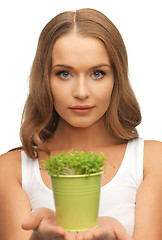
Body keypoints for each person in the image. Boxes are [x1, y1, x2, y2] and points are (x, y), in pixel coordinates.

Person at [0, 8, 161, 240]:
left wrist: (115, 233)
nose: (81, 92)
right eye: (64, 74)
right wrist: (38, 238)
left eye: (97, 73)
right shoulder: (12, 169)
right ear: (44, 80)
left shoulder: (151, 160)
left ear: (117, 78)